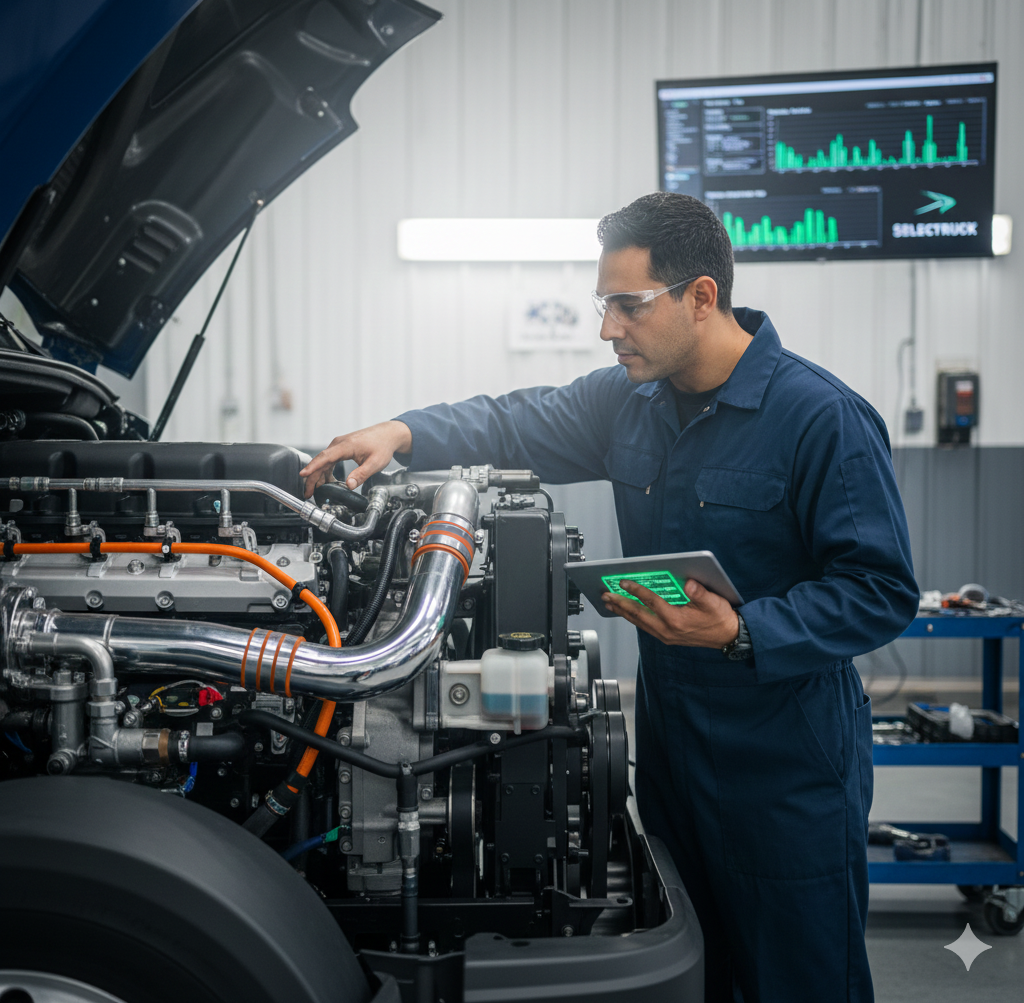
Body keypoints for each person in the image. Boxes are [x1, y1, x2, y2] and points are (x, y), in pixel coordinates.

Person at [300, 192, 919, 1002]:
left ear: (701, 297)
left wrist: (741, 630)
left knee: (798, 977)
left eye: (628, 306)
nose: (607, 329)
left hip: (787, 765)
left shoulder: (820, 418)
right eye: (605, 305)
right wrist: (403, 433)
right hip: (672, 749)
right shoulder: (629, 403)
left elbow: (881, 589)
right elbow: (512, 422)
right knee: (701, 969)